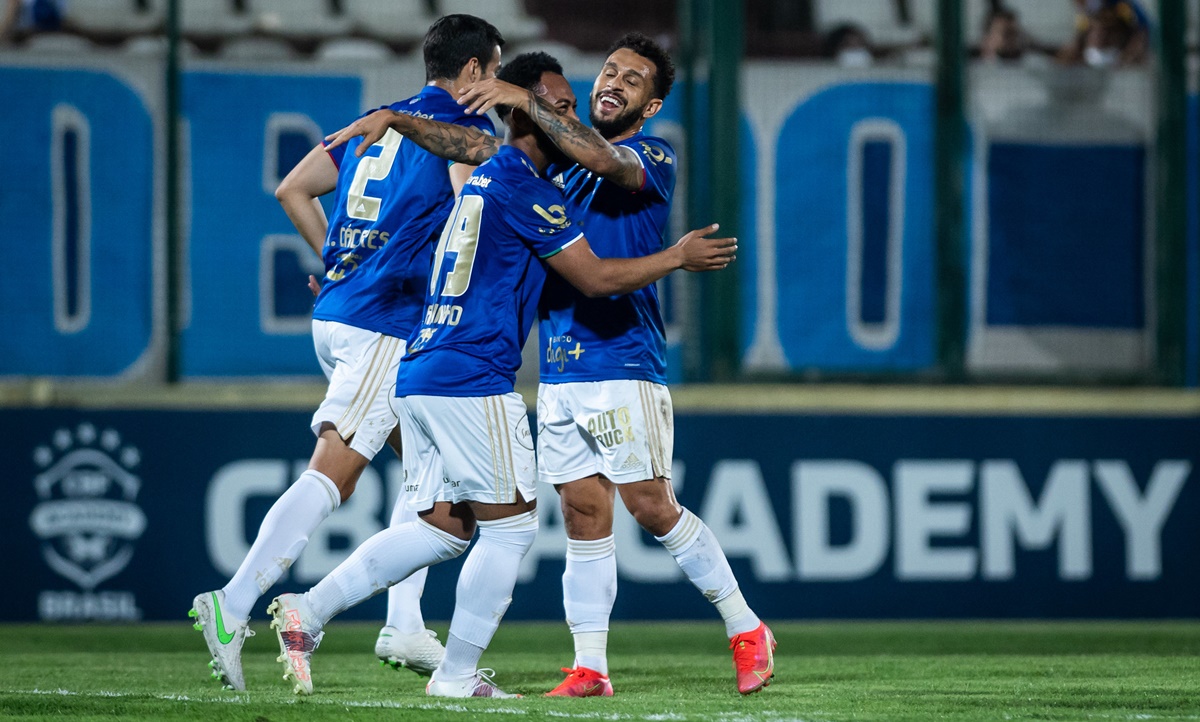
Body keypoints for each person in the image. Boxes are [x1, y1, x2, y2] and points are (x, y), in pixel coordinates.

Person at [266, 50, 737, 699]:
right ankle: (456, 675)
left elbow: (464, 151)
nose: (568, 115)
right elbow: (596, 278)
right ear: (526, 114)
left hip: (422, 368)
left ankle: (309, 610)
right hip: (472, 374)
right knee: (512, 528)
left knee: (444, 527)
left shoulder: (486, 174)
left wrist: (399, 122)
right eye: (556, 107)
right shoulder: (528, 188)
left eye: (567, 106)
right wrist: (676, 257)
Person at [187, 14, 504, 692]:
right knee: (334, 473)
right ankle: (233, 604)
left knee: (434, 482)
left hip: (340, 312)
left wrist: (340, 264)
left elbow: (292, 188)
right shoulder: (461, 129)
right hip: (385, 322)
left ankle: (405, 624)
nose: (498, 86)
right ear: (475, 70)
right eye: (496, 71)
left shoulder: (373, 123)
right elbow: (468, 205)